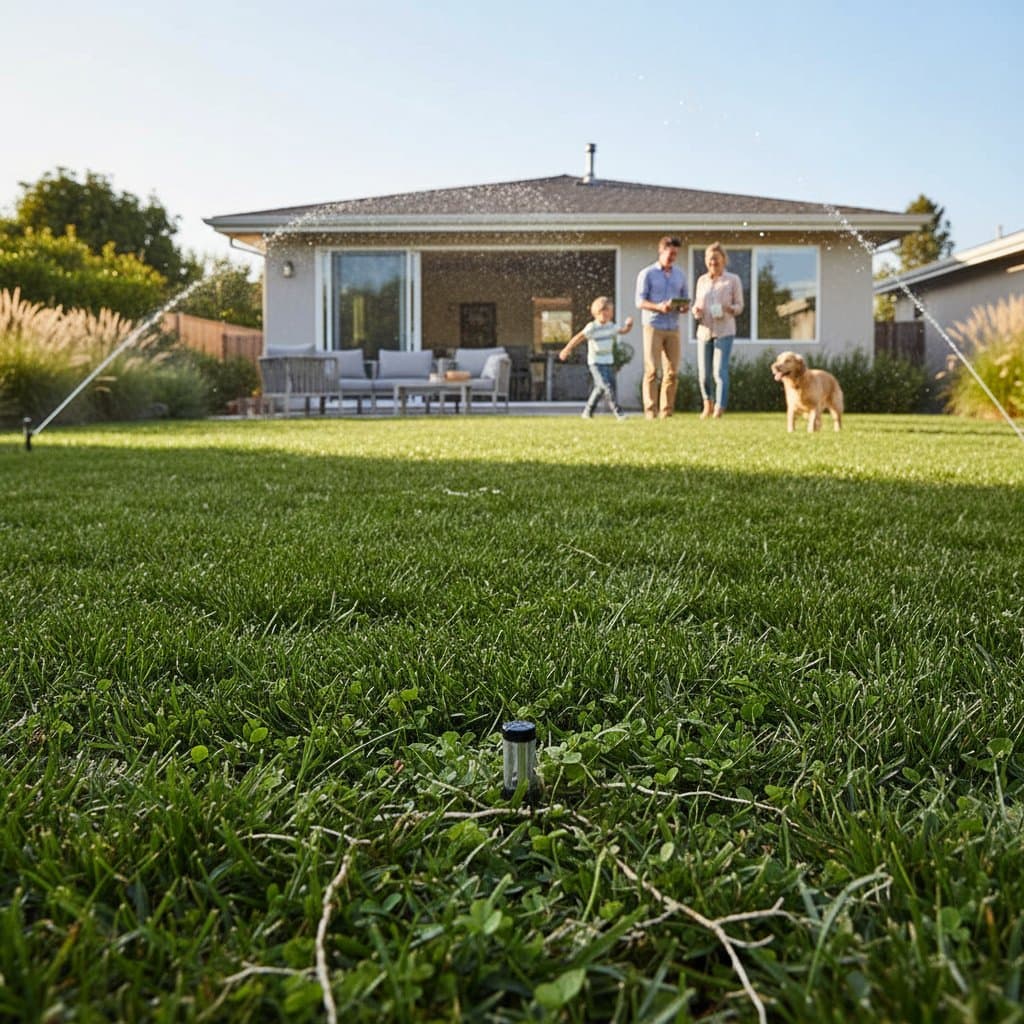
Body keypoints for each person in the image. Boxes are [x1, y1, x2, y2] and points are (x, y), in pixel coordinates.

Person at [635, 235, 689, 419]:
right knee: (652, 370)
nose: (673, 257)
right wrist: (659, 306)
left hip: (673, 327)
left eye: (676, 254)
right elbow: (640, 301)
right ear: (661, 250)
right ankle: (651, 411)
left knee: (672, 372)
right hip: (653, 325)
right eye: (671, 253)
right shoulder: (647, 274)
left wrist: (683, 307)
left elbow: (685, 297)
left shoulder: (680, 275)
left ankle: (667, 412)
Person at [692, 242, 744, 419]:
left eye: (716, 258)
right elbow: (697, 304)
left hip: (724, 330)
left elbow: (740, 306)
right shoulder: (702, 281)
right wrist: (696, 311)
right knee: (704, 374)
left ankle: (720, 408)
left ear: (723, 259)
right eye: (710, 259)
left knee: (719, 371)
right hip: (705, 330)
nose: (713, 262)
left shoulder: (732, 280)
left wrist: (730, 308)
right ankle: (708, 403)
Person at [559, 296, 632, 420]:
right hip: (596, 363)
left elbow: (623, 331)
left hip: (608, 362)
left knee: (600, 388)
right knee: (606, 385)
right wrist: (567, 349)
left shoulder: (611, 326)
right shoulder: (592, 327)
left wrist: (629, 326)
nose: (606, 315)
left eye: (609, 312)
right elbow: (579, 337)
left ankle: (587, 412)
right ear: (597, 313)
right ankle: (618, 412)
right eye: (603, 312)